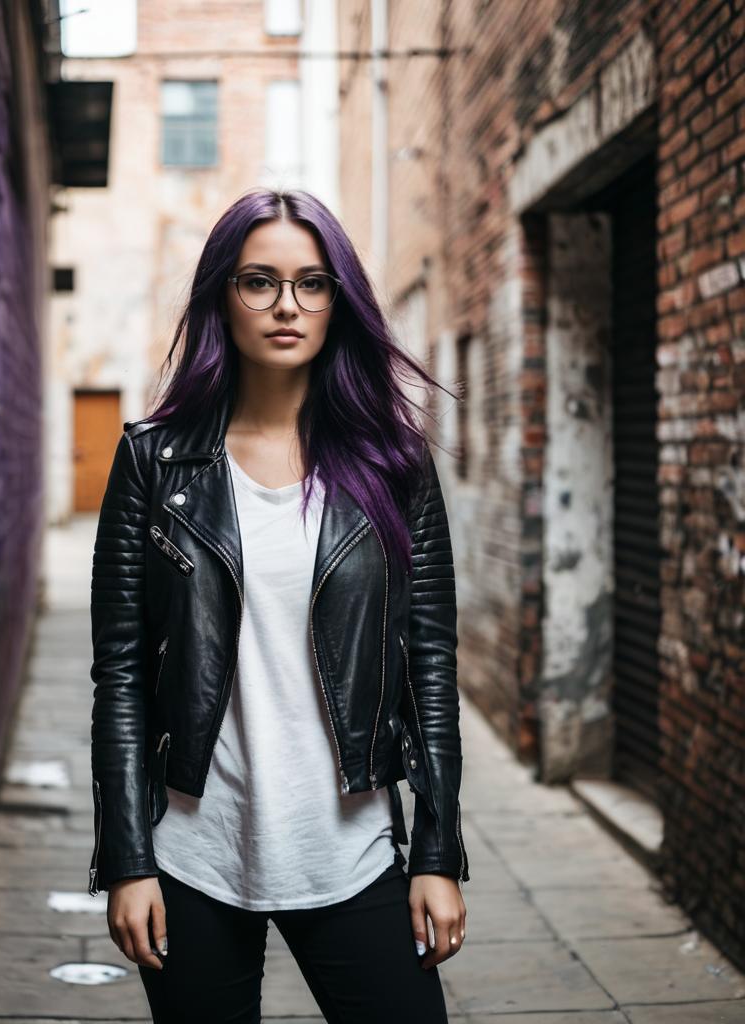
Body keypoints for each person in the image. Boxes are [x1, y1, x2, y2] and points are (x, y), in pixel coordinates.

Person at [87, 187, 469, 1023]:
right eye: (258, 281)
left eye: (313, 283)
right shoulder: (156, 463)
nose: (287, 305)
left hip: (353, 849)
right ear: (222, 298)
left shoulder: (393, 467)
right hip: (191, 856)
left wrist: (437, 851)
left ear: (340, 301)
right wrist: (126, 858)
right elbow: (119, 673)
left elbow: (429, 665)